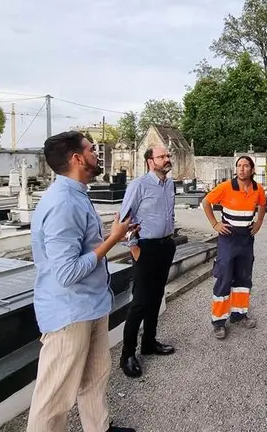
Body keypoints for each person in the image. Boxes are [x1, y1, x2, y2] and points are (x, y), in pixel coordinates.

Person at [27, 131, 135, 432]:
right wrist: (113, 239)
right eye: (91, 149)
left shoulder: (77, 194)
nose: (96, 153)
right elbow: (67, 273)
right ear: (76, 158)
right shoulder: (63, 203)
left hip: (91, 303)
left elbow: (84, 249)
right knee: (53, 399)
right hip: (69, 311)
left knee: (94, 377)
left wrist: (115, 234)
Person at [118, 144, 177, 378]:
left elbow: (169, 212)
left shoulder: (170, 184)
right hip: (146, 248)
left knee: (156, 297)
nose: (167, 159)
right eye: (162, 156)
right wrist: (134, 249)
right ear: (150, 161)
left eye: (168, 155)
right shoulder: (139, 185)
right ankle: (127, 354)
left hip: (165, 245)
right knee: (140, 301)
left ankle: (149, 342)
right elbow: (124, 218)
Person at [201, 155, 266, 339]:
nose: (242, 169)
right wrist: (215, 224)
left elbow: (262, 204)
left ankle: (239, 314)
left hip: (246, 238)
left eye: (246, 166)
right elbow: (206, 202)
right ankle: (219, 321)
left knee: (243, 278)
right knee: (224, 277)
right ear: (235, 169)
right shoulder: (226, 187)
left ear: (252, 170)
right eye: (239, 166)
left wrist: (259, 222)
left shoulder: (257, 189)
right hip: (228, 237)